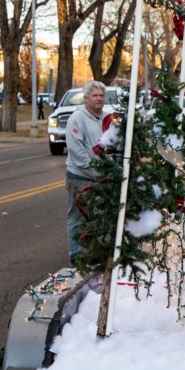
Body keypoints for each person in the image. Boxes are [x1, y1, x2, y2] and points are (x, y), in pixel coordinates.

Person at [65, 81, 108, 266]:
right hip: (80, 177)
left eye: (101, 96)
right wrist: (93, 168)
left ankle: (96, 251)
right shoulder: (77, 118)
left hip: (102, 178)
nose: (99, 99)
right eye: (95, 96)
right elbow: (76, 149)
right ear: (86, 98)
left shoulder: (106, 119)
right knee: (77, 216)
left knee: (98, 215)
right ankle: (77, 253)